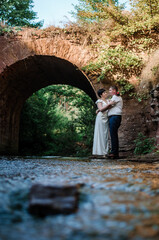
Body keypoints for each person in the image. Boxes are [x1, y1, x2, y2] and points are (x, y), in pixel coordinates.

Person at [97, 86, 123, 159]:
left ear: (114, 90)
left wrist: (100, 110)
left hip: (115, 117)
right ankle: (115, 152)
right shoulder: (115, 97)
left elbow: (109, 106)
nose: (109, 92)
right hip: (114, 117)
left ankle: (114, 152)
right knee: (113, 134)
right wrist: (99, 110)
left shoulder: (115, 97)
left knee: (113, 134)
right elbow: (108, 107)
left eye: (110, 90)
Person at [92, 88, 113, 157]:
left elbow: (110, 106)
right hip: (101, 118)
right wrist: (108, 105)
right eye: (104, 93)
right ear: (101, 95)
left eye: (106, 92)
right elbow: (101, 109)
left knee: (105, 135)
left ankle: (105, 152)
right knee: (100, 134)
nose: (106, 93)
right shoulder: (99, 101)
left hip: (106, 118)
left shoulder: (108, 100)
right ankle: (100, 152)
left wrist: (108, 105)